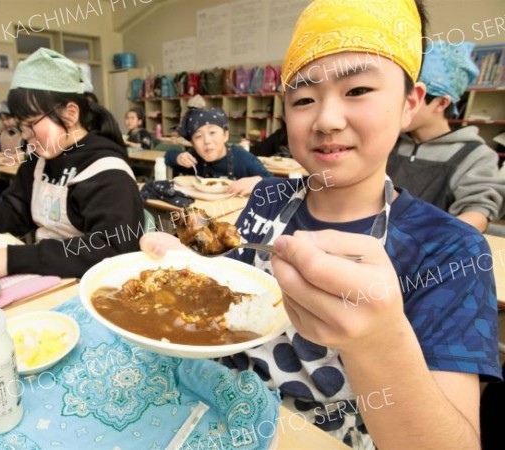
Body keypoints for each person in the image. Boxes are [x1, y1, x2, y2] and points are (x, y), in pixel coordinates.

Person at [140, 1, 501, 448]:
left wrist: (379, 341)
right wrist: (188, 270)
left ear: (411, 103)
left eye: (358, 90)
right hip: (223, 407)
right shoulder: (267, 199)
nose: (327, 119)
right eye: (304, 99)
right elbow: (230, 301)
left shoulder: (451, 250)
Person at [0, 48, 143, 279]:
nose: (25, 136)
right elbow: (16, 211)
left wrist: (13, 259)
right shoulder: (39, 161)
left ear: (70, 114)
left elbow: (112, 248)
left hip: (92, 285)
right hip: (46, 275)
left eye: (31, 124)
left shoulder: (107, 171)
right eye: (21, 127)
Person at [387, 41, 505, 232]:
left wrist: (429, 239)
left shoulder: (475, 155)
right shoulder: (391, 140)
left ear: (441, 103)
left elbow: (478, 213)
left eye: (411, 100)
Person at [164, 108, 271, 195]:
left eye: (212, 132)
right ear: (192, 143)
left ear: (225, 135)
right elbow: (168, 157)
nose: (207, 141)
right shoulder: (194, 158)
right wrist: (178, 157)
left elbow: (274, 182)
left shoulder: (243, 158)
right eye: (198, 136)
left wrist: (259, 181)